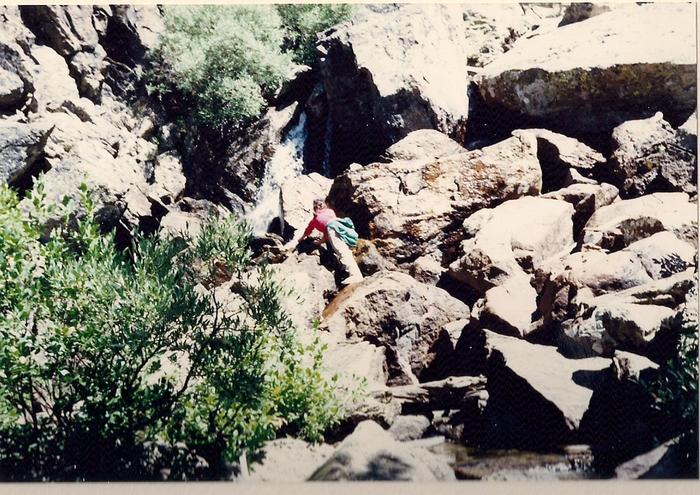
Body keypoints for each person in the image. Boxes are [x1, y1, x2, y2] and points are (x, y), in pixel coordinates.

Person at [294, 199, 363, 286]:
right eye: (317, 205)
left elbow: (326, 230)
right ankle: (350, 272)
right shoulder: (324, 214)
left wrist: (318, 242)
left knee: (342, 252)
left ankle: (355, 275)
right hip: (338, 228)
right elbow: (309, 230)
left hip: (333, 228)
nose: (319, 206)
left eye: (320, 204)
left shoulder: (322, 215)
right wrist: (302, 238)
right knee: (344, 251)